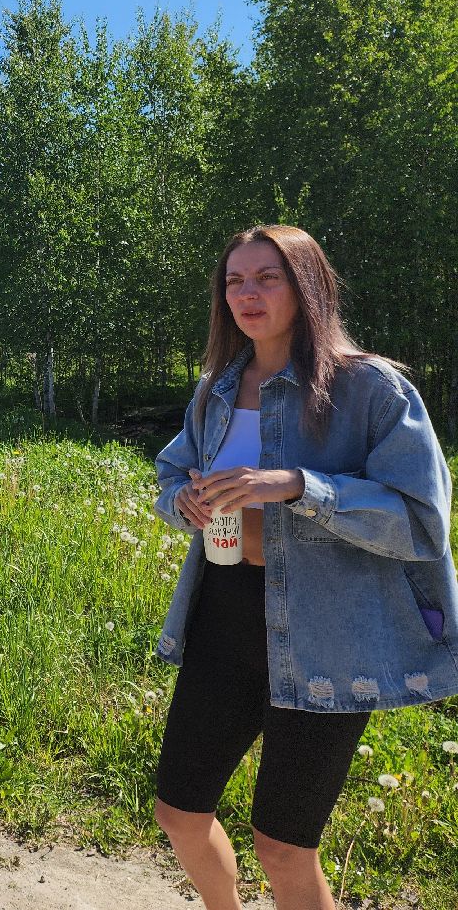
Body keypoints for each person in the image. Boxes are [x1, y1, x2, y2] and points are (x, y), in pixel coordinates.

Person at [152, 225, 457, 910]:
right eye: (235, 280)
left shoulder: (372, 388)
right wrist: (187, 502)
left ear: (308, 286)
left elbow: (421, 519)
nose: (247, 293)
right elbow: (170, 476)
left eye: (268, 277)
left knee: (284, 847)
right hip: (224, 617)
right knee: (178, 813)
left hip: (329, 631)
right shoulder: (217, 389)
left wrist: (298, 486)